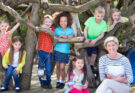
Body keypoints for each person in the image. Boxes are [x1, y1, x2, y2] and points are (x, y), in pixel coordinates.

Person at [53, 11, 74, 89]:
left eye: (65, 21)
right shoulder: (57, 30)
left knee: (62, 67)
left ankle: (63, 81)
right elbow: (55, 37)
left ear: (68, 21)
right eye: (61, 21)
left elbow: (72, 35)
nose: (63, 22)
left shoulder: (70, 30)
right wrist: (61, 35)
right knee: (58, 67)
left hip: (65, 51)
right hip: (57, 50)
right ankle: (58, 81)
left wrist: (71, 36)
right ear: (59, 21)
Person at [84, 6, 107, 72]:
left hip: (96, 41)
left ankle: (91, 66)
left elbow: (102, 35)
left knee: (94, 54)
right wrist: (86, 38)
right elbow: (85, 29)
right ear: (94, 15)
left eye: (102, 16)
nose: (100, 18)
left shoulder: (103, 23)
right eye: (98, 16)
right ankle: (87, 66)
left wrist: (95, 40)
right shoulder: (90, 19)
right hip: (88, 39)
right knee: (88, 55)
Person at [36, 15, 54, 89]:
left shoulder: (52, 29)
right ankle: (42, 82)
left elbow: (53, 34)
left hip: (49, 52)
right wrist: (41, 27)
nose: (48, 23)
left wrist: (49, 29)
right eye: (46, 21)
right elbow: (37, 29)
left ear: (52, 23)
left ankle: (48, 82)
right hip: (41, 51)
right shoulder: (41, 28)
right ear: (43, 22)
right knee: (41, 68)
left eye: (49, 22)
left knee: (48, 69)